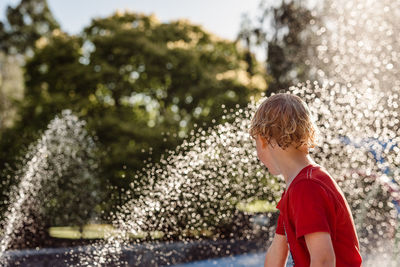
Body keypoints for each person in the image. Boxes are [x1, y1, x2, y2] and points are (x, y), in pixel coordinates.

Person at [249, 93, 362, 267]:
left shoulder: (306, 188)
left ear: (263, 140)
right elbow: (277, 252)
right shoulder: (296, 187)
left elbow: (324, 261)